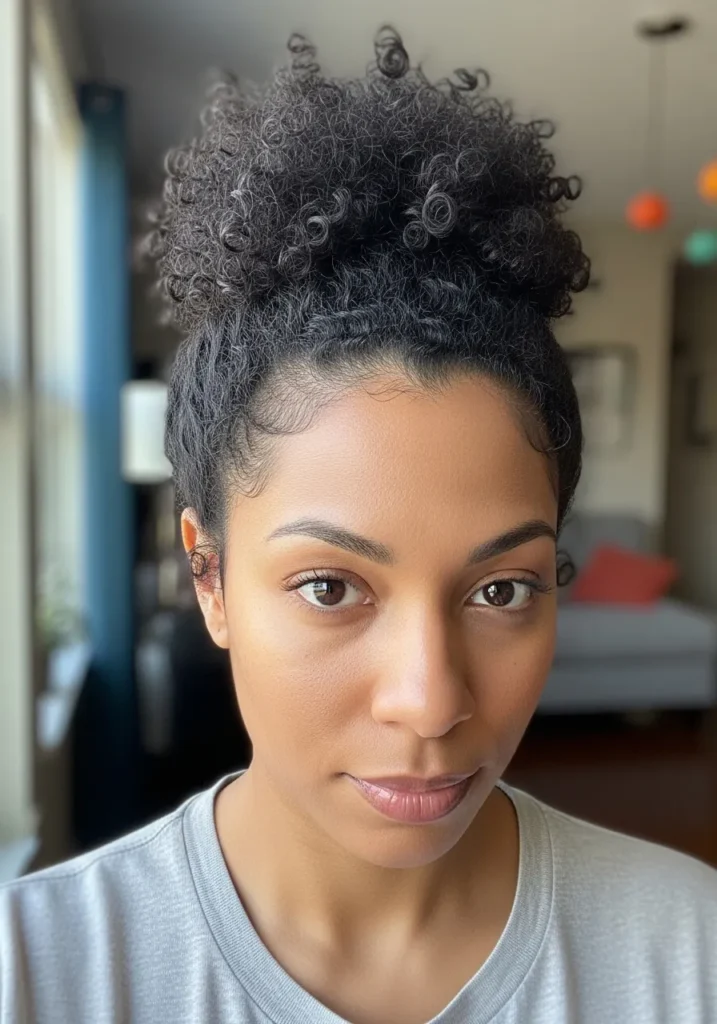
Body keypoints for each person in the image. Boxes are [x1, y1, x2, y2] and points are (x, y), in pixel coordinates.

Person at [1, 27, 716, 1024]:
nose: (429, 703)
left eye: (501, 589)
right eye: (331, 586)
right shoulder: (39, 972)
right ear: (208, 576)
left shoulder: (686, 954)